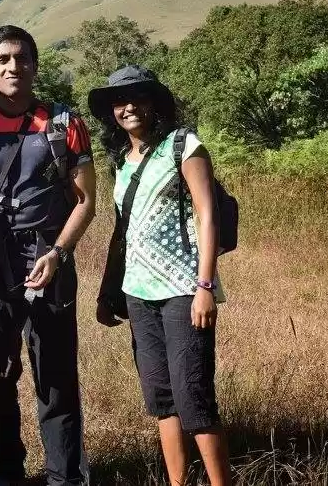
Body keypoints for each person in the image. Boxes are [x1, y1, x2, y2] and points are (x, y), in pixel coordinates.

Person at [0, 25, 97, 486]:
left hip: (47, 259)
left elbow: (86, 202)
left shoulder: (64, 124)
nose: (13, 67)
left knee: (55, 375)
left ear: (34, 66)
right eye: (3, 59)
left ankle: (65, 476)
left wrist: (59, 253)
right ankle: (6, 470)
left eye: (22, 58)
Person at [89, 65, 232, 486]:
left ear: (154, 103)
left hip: (183, 289)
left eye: (138, 97)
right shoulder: (122, 160)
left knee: (194, 398)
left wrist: (205, 286)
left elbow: (208, 216)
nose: (129, 107)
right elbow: (122, 232)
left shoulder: (183, 146)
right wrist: (108, 292)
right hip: (138, 293)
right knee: (162, 400)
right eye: (119, 101)